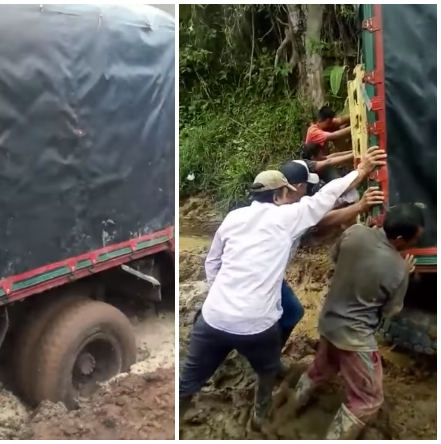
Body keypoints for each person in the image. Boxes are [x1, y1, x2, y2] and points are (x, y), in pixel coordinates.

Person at [177, 146, 385, 430]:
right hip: (255, 324)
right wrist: (361, 171)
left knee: (188, 379)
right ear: (281, 194)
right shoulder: (287, 218)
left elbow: (212, 261)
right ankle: (260, 416)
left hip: (212, 317)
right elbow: (327, 196)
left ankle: (173, 422)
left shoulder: (233, 217)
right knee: (266, 369)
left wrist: (221, 290)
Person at [275, 203, 424, 439]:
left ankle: (285, 412)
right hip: (354, 340)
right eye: (415, 239)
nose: (415, 243)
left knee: (320, 370)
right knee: (368, 400)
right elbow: (390, 312)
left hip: (328, 322)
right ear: (399, 239)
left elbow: (335, 257)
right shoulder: (397, 269)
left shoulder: (355, 231)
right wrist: (403, 274)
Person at [275, 157, 385, 374]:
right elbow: (321, 215)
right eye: (306, 187)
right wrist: (361, 181)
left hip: (266, 275)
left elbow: (318, 213)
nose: (308, 191)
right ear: (297, 188)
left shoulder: (277, 203)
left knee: (291, 311)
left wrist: (350, 202)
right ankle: (264, 358)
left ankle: (265, 353)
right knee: (269, 316)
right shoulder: (288, 214)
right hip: (263, 278)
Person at [305, 106, 352, 183]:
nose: (330, 124)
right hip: (318, 169)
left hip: (324, 158)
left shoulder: (324, 124)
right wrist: (355, 126)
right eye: (328, 123)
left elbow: (340, 120)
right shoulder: (314, 132)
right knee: (337, 181)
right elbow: (335, 135)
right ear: (320, 121)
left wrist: (354, 116)